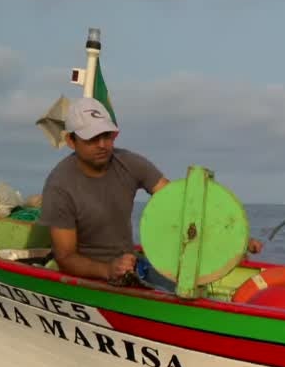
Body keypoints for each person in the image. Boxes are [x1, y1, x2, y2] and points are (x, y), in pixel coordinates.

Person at [39, 97, 262, 285]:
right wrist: (108, 270)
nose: (103, 145)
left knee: (190, 289)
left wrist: (234, 238)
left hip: (132, 267)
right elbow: (65, 257)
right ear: (71, 141)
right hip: (91, 275)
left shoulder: (129, 163)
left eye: (107, 136)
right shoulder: (59, 186)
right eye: (92, 138)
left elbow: (180, 204)